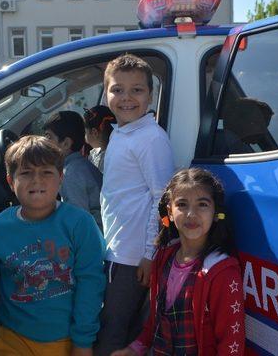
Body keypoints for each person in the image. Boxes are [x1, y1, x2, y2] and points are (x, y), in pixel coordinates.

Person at [0, 135, 105, 356]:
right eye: (26, 173)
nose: (37, 180)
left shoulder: (80, 224)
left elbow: (91, 284)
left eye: (46, 172)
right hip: (12, 336)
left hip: (65, 339)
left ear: (61, 179)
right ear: (10, 181)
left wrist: (83, 341)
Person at [111, 168, 245, 355]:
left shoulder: (221, 272)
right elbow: (155, 321)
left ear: (216, 212)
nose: (191, 214)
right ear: (170, 213)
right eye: (182, 204)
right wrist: (135, 349)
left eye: (203, 204)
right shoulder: (163, 258)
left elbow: (231, 342)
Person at [95, 54, 175, 355]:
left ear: (150, 95)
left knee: (114, 331)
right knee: (113, 324)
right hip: (118, 249)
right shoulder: (122, 132)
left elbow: (164, 201)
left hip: (133, 257)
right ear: (106, 94)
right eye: (117, 89)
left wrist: (150, 254)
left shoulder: (151, 138)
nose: (126, 98)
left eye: (137, 90)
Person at [44, 111, 103, 231]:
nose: (44, 142)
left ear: (65, 143)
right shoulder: (79, 165)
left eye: (49, 137)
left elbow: (78, 222)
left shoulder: (71, 174)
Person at [83, 105, 116, 173]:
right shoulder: (94, 153)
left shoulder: (110, 160)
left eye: (85, 132)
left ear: (94, 133)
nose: (84, 135)